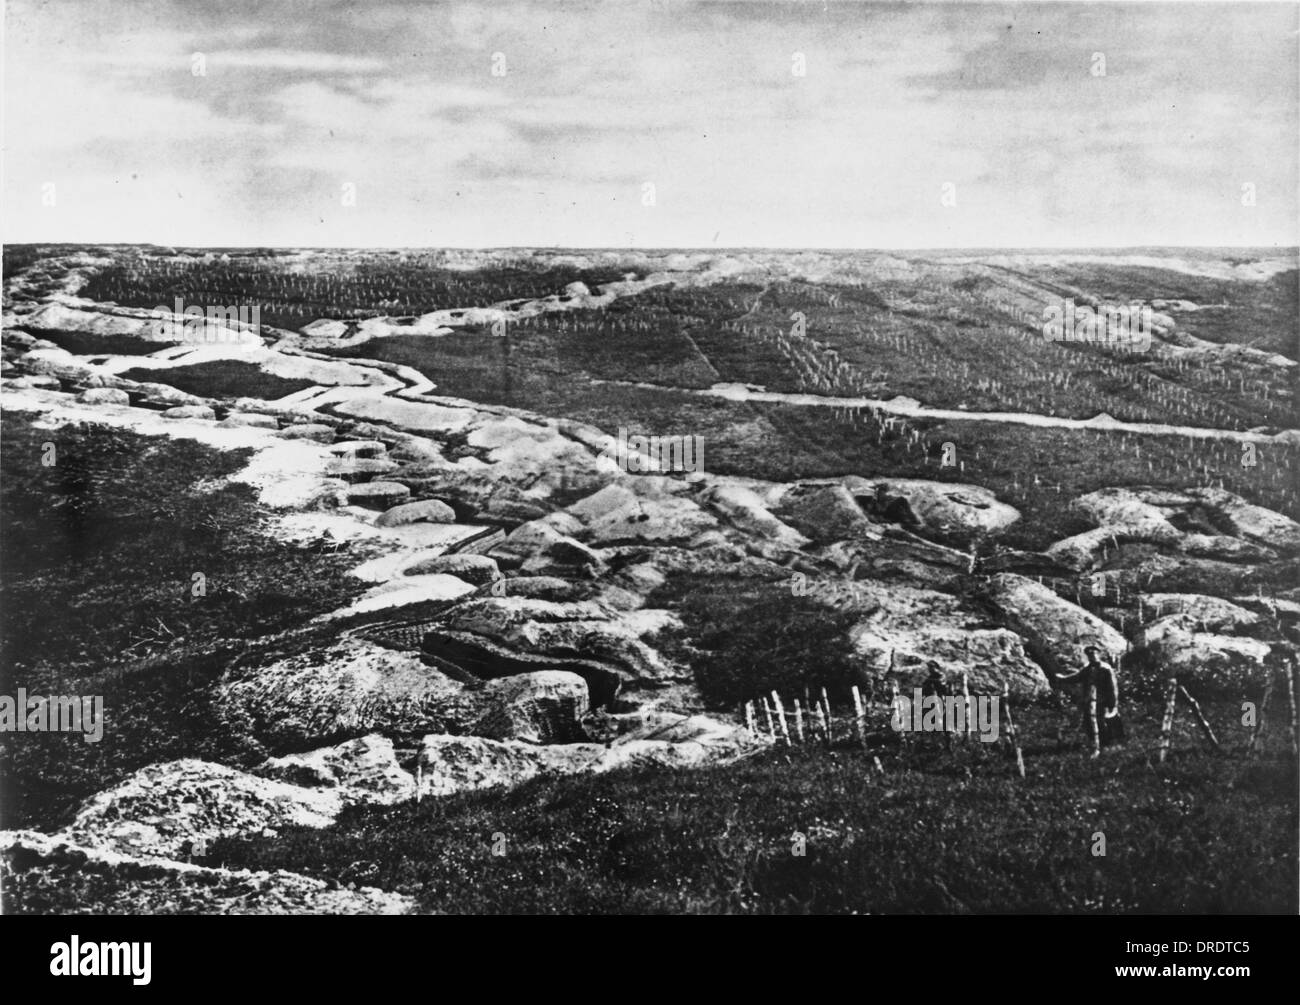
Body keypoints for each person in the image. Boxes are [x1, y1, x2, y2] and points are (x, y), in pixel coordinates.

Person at [1056, 646, 1124, 750]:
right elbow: (1077, 677)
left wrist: (1113, 703)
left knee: (1103, 722)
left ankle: (1107, 744)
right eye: (1089, 655)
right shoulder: (1087, 669)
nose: (1092, 656)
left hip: (1103, 701)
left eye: (1094, 654)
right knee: (1089, 722)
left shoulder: (1106, 669)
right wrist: (1063, 679)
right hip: (1089, 700)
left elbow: (1112, 687)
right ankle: (1094, 742)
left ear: (1098, 654)